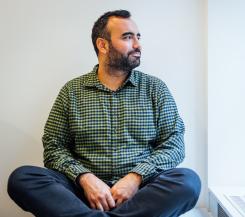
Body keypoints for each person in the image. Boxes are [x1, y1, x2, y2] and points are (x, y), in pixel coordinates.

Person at [7, 10, 201, 217]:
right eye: (127, 37)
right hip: (81, 194)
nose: (137, 45)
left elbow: (174, 144)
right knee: (22, 178)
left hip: (141, 195)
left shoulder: (155, 89)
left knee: (188, 181)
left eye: (138, 37)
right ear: (103, 45)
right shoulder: (72, 91)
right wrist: (85, 178)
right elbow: (54, 147)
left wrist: (135, 178)